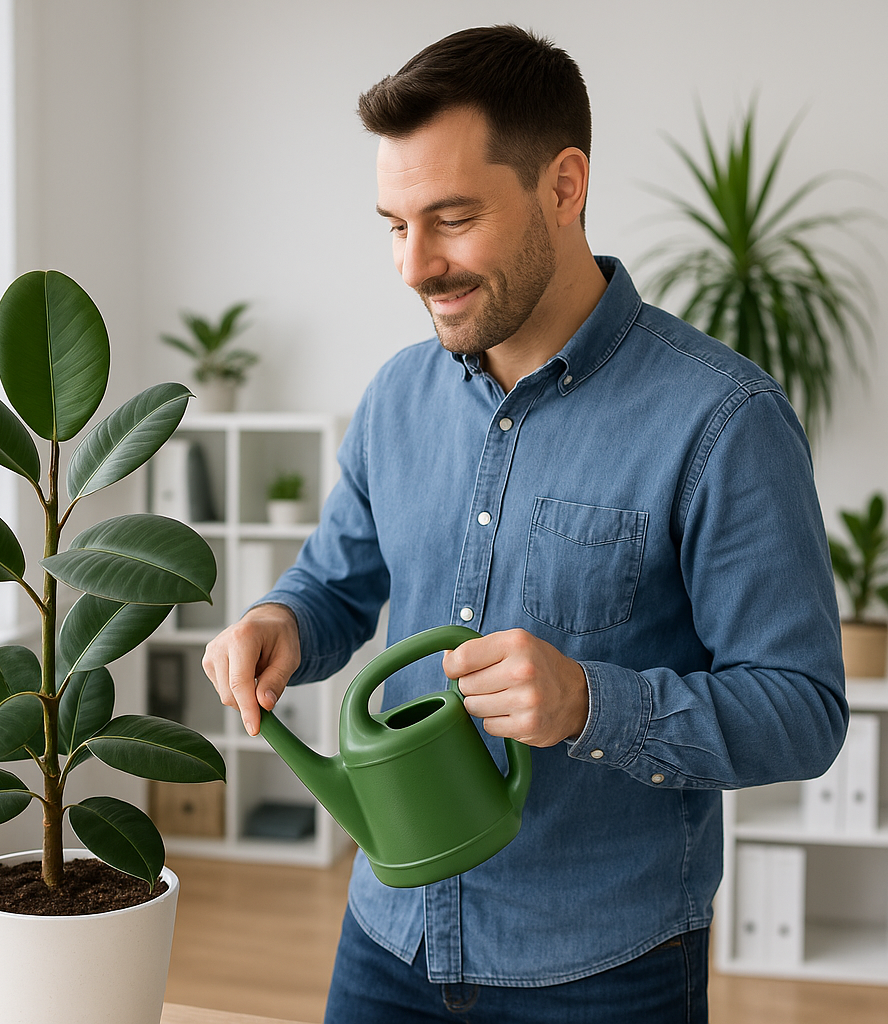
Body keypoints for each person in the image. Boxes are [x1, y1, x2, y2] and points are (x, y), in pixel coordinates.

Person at [203, 25, 847, 1024]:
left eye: (451, 218)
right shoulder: (394, 399)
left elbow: (800, 710)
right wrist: (280, 624)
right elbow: (334, 586)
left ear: (564, 184)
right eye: (393, 223)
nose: (414, 266)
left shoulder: (722, 421)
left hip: (605, 971)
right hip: (388, 936)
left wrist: (591, 703)